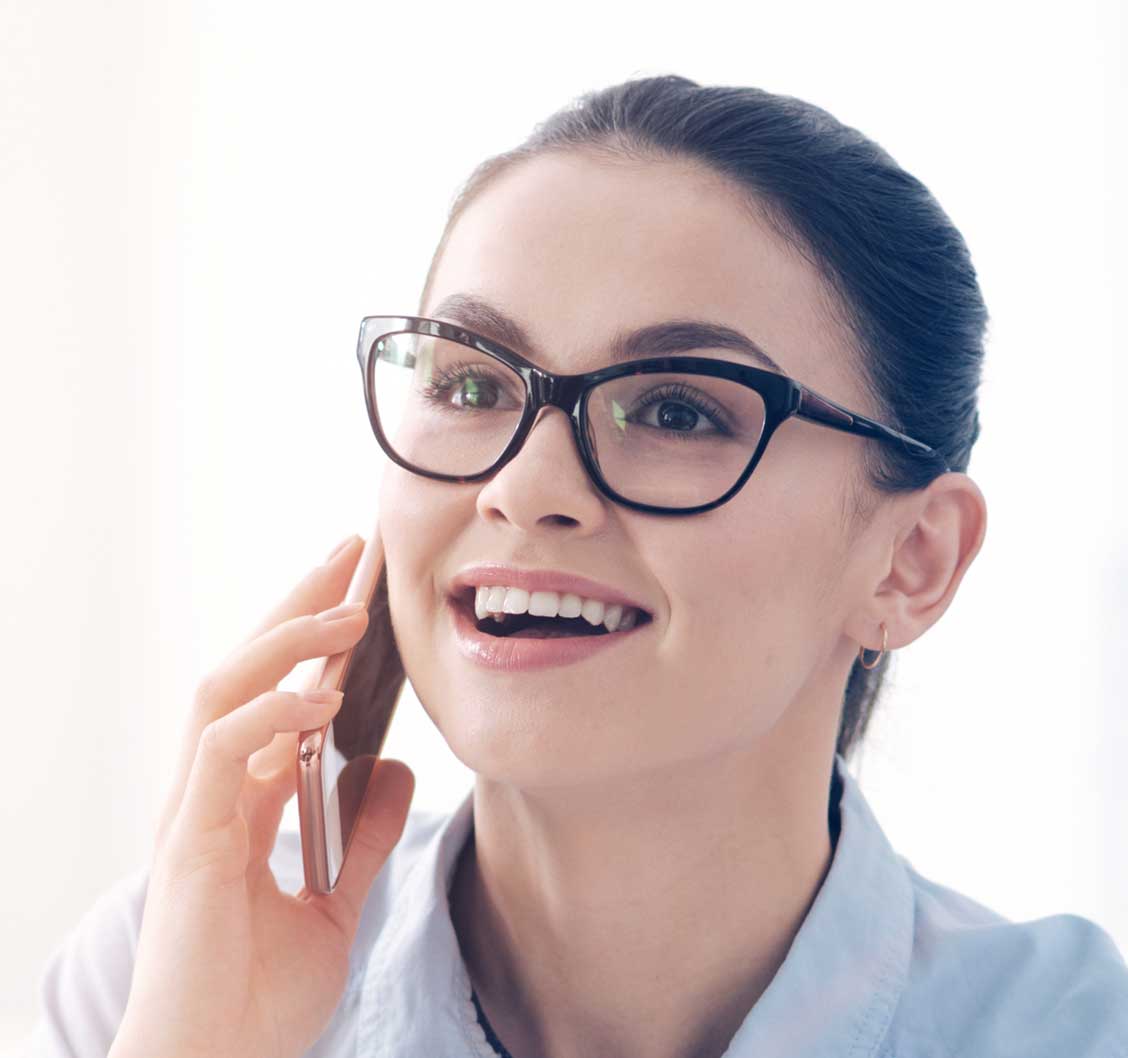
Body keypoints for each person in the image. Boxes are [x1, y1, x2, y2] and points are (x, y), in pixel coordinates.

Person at [26, 74, 1128, 1058]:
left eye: (675, 407)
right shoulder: (159, 977)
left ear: (910, 559)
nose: (527, 485)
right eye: (470, 385)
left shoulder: (1072, 1030)